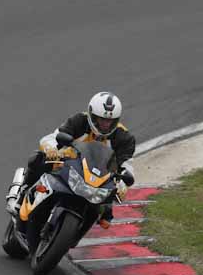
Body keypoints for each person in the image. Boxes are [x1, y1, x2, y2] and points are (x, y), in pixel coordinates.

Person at [12, 91, 136, 227]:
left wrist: (123, 185)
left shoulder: (124, 138)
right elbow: (52, 137)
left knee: (106, 216)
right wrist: (51, 149)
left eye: (110, 121)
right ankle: (22, 193)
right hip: (69, 164)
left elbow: (127, 165)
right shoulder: (79, 121)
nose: (105, 125)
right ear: (92, 115)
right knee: (38, 158)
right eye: (101, 120)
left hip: (99, 177)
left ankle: (83, 225)